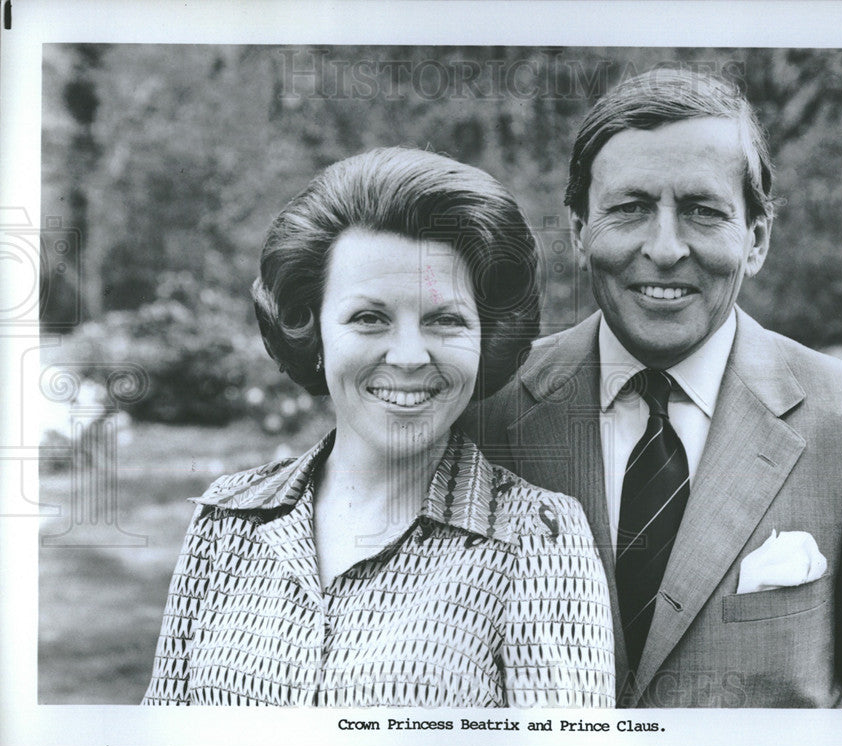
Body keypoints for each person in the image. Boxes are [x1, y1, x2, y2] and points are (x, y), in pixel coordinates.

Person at [466, 68, 842, 708]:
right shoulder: (487, 410)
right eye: (630, 208)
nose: (665, 249)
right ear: (580, 230)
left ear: (756, 239)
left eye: (702, 211)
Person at [142, 147, 615, 707]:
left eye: (445, 320)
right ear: (312, 331)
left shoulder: (537, 538)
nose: (410, 356)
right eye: (369, 318)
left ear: (486, 338)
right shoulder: (227, 520)